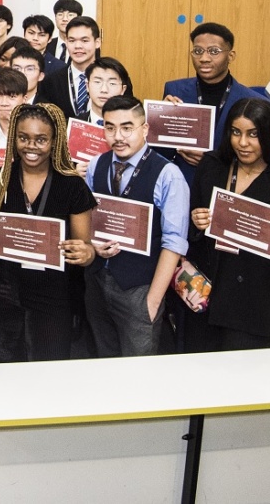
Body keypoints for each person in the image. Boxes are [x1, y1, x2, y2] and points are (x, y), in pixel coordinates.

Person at [184, 98, 270, 351]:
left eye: (253, 134)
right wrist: (196, 222)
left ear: (269, 136)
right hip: (204, 295)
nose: (242, 143)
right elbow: (190, 233)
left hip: (252, 306)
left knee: (244, 382)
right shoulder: (212, 166)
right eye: (236, 132)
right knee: (197, 378)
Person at [0, 103, 98, 362]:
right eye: (23, 138)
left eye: (41, 140)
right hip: (3, 289)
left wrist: (86, 252)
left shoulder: (71, 185)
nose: (31, 146)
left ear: (55, 141)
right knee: (6, 365)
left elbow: (85, 249)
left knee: (48, 368)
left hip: (52, 292)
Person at [83, 95, 190, 357]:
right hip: (97, 282)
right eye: (110, 127)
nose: (118, 136)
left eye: (127, 128)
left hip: (139, 290)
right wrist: (92, 244)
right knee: (103, 364)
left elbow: (174, 242)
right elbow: (86, 218)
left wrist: (152, 302)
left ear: (145, 129)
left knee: (139, 376)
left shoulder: (168, 175)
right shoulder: (97, 164)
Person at [161, 22, 265, 184]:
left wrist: (214, 158)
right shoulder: (175, 90)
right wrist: (160, 118)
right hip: (183, 182)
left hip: (230, 183)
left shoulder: (254, 101)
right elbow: (162, 151)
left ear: (231, 56)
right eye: (197, 51)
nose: (204, 58)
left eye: (214, 51)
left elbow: (262, 157)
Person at [38, 16, 102, 121]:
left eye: (84, 40)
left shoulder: (113, 78)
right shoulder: (51, 81)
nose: (77, 46)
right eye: (72, 40)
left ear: (97, 42)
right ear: (66, 42)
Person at [82, 57, 133, 126]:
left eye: (112, 83)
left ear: (123, 90)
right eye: (97, 82)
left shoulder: (133, 127)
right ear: (87, 86)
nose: (104, 90)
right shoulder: (71, 126)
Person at [44, 0, 83, 64]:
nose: (65, 19)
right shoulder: (47, 44)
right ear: (55, 17)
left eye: (70, 15)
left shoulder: (84, 46)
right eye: (60, 14)